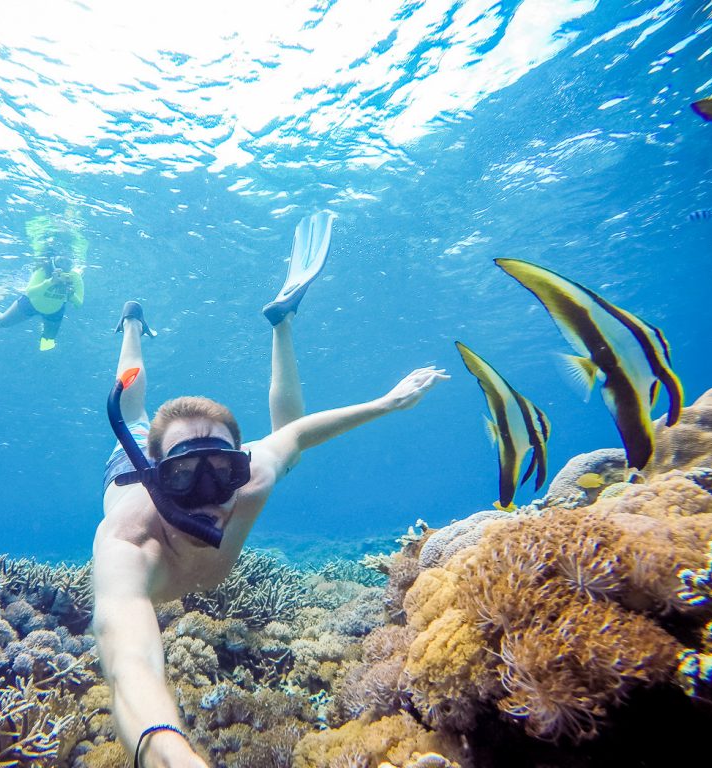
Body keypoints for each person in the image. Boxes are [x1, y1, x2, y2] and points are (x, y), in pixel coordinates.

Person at [92, 212, 449, 768]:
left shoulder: (254, 474)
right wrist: (169, 752)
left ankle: (281, 320)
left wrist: (386, 403)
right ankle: (133, 325)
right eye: (185, 476)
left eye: (223, 470)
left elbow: (295, 433)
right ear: (159, 476)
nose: (212, 492)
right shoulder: (127, 543)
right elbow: (129, 661)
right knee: (135, 409)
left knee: (294, 453)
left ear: (243, 463)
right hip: (128, 455)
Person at [0, 231, 84, 351]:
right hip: (30, 304)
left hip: (54, 311)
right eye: (61, 261)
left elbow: (78, 304)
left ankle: (45, 332)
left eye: (68, 263)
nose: (64, 266)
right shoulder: (43, 269)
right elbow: (30, 292)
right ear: (54, 260)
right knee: (1, 323)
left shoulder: (75, 277)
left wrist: (70, 294)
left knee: (48, 340)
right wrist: (50, 282)